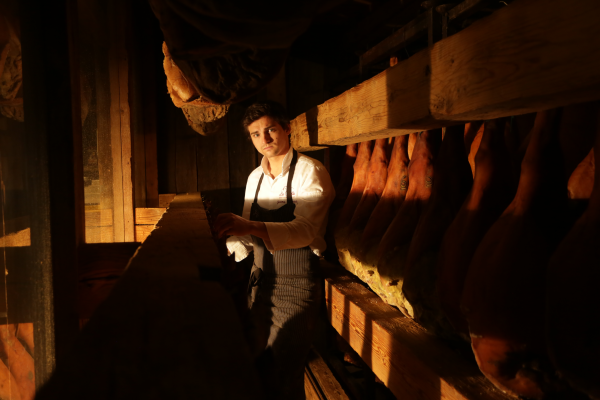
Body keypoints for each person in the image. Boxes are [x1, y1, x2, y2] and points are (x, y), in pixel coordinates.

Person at [214, 101, 335, 400]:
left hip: (295, 286)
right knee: (257, 370)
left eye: (270, 130)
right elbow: (244, 234)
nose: (264, 140)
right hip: (259, 283)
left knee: (282, 372)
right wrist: (225, 243)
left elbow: (306, 230)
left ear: (286, 128)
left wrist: (250, 227)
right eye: (255, 134)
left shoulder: (310, 172)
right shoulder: (255, 178)